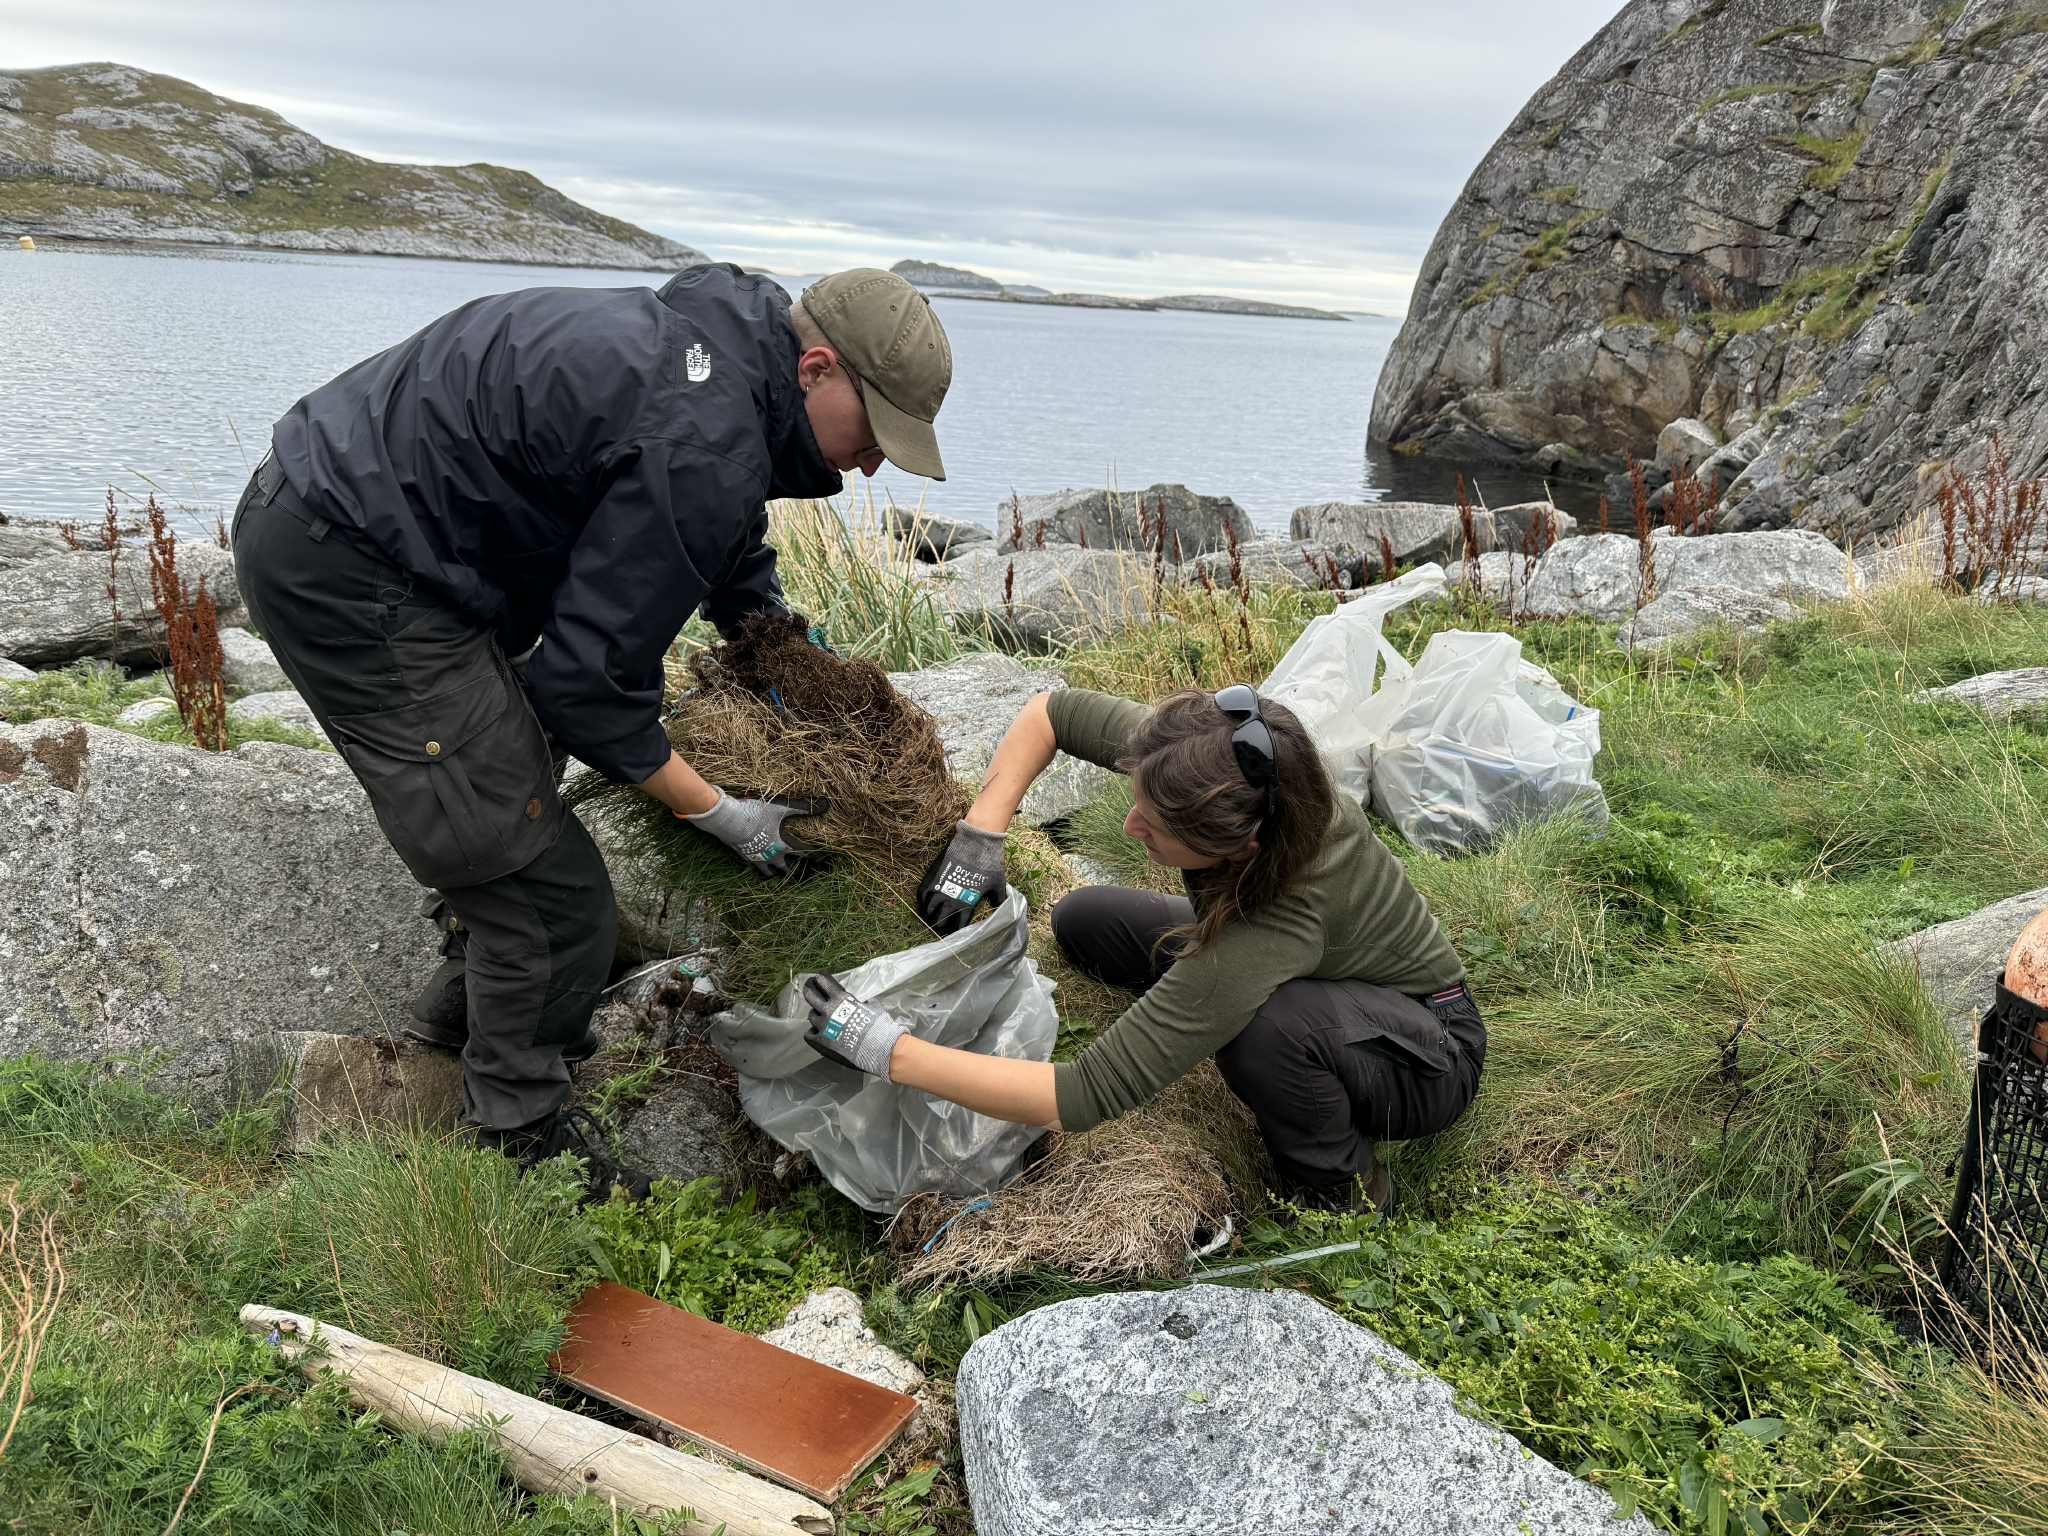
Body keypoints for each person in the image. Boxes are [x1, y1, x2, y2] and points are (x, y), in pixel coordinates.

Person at [230, 264, 953, 1189]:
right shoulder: (707, 436)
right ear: (816, 367)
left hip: (385, 526)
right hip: (351, 565)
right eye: (878, 431)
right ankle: (516, 1148)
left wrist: (780, 651)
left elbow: (713, 533)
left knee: (509, 807)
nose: (876, 463)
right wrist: (722, 814)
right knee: (557, 902)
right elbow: (583, 685)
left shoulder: (731, 354)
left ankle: (451, 1029)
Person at [802, 684, 1484, 1212]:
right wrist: (983, 832)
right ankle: (1259, 1020)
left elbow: (1084, 1094)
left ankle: (1347, 1193)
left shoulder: (1276, 919)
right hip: (1315, 973)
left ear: (1238, 847)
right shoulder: (1218, 762)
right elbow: (1052, 712)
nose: (1131, 826)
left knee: (1268, 1034)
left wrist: (887, 1051)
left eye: (1154, 828)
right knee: (1083, 918)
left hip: (1424, 1052)